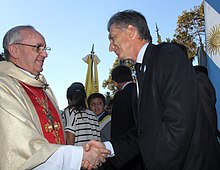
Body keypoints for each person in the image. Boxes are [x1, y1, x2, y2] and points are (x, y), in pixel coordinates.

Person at [88, 10, 220, 170]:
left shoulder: (167, 55)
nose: (110, 47)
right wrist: (106, 149)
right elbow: (142, 133)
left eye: (112, 38)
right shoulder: (141, 73)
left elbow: (179, 123)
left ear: (130, 31)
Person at [0, 25, 110, 170]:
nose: (45, 54)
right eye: (38, 47)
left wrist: (79, 157)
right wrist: (79, 156)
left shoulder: (43, 87)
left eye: (45, 48)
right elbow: (24, 147)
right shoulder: (4, 87)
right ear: (14, 50)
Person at [110, 65, 144, 170]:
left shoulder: (121, 96)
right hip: (145, 150)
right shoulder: (142, 90)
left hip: (126, 152)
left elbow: (118, 127)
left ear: (115, 82)